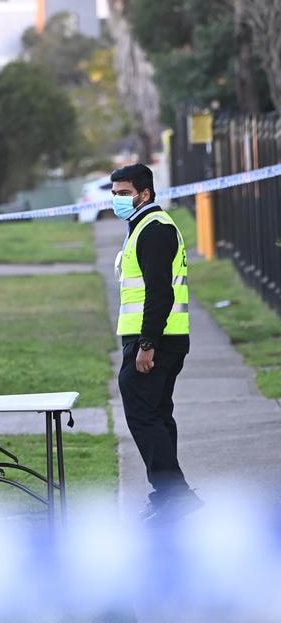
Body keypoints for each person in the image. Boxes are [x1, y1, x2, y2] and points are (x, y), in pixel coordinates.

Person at [110, 163, 201, 525]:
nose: (117, 199)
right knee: (158, 415)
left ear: (145, 194)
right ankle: (169, 496)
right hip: (163, 338)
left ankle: (173, 494)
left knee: (144, 414)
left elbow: (160, 293)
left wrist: (147, 344)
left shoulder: (154, 229)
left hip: (156, 341)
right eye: (114, 193)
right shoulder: (144, 227)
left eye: (123, 193)